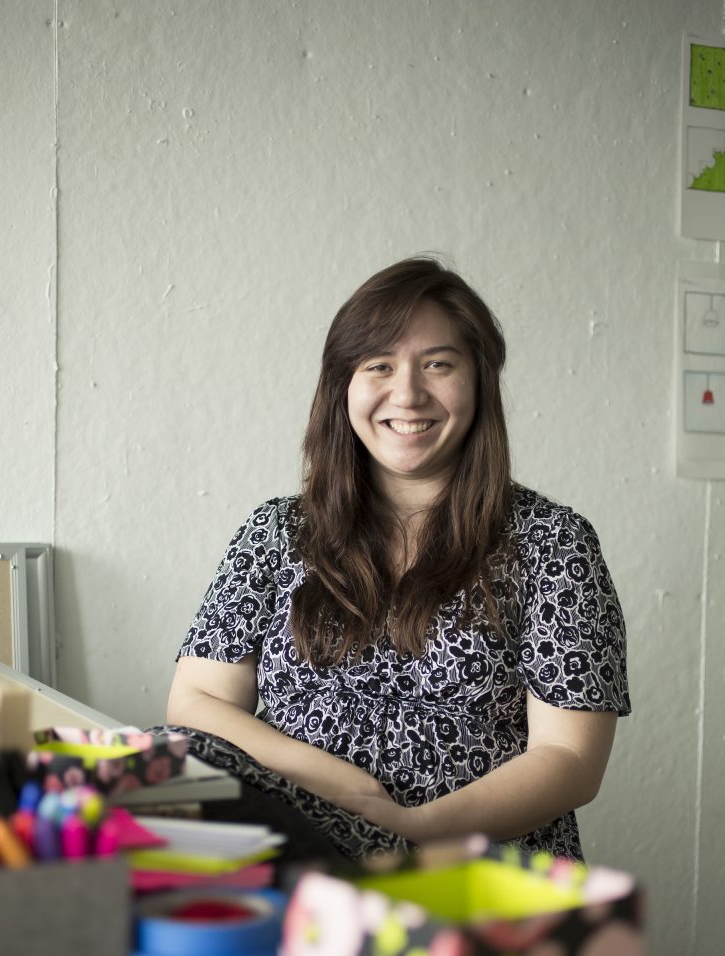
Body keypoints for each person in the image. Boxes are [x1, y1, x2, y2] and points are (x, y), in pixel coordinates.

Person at [167, 257, 630, 862]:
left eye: (438, 364)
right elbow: (197, 701)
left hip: (479, 880)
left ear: (480, 381)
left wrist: (410, 830)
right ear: (344, 386)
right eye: (378, 365)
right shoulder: (277, 532)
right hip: (301, 863)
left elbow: (570, 760)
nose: (407, 392)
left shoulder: (554, 544)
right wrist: (346, 792)